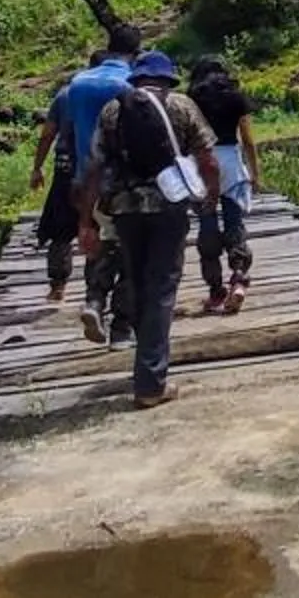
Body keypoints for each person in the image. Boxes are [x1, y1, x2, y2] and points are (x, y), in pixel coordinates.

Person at [84, 50, 216, 409]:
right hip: (168, 207)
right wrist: (210, 196)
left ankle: (146, 366)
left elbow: (94, 167)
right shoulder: (181, 106)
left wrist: (85, 221)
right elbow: (207, 157)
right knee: (161, 288)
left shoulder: (113, 111)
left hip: (125, 210)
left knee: (139, 284)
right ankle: (150, 383)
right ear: (167, 79)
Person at [30, 27, 141, 344]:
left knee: (94, 242)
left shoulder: (77, 85)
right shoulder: (130, 84)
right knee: (129, 248)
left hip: (84, 179)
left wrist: (38, 167)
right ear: (136, 52)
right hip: (122, 181)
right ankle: (121, 323)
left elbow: (61, 132)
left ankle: (94, 302)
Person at [187, 56, 262, 315]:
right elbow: (248, 139)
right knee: (234, 221)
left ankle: (216, 289)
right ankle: (239, 277)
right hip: (231, 160)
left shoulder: (192, 99)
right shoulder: (235, 97)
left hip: (202, 161)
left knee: (207, 223)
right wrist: (254, 172)